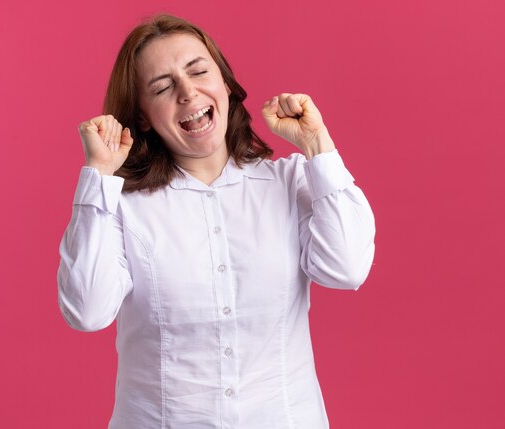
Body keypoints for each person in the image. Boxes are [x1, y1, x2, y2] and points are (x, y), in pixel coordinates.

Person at [57, 14, 375, 429]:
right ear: (142, 118)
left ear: (225, 83)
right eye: (163, 87)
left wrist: (318, 145)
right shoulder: (120, 206)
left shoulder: (292, 180)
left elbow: (346, 269)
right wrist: (99, 177)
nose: (188, 93)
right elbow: (86, 311)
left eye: (198, 71)